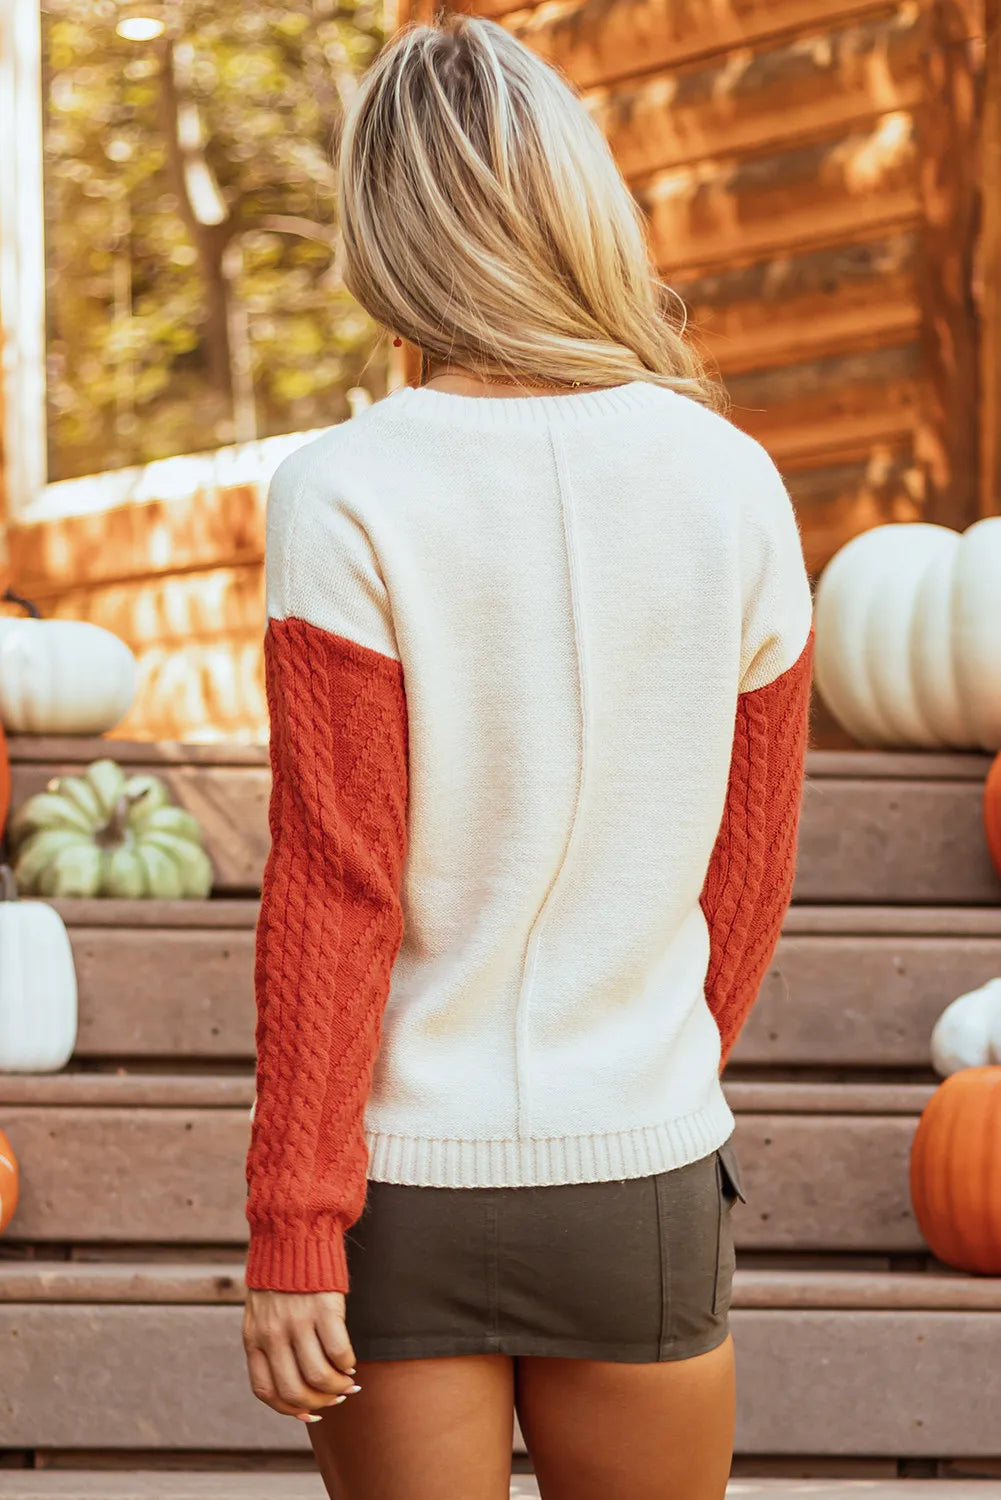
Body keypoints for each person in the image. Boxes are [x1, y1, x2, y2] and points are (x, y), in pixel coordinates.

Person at [241, 14, 814, 1500]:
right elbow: (747, 870)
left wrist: (294, 1224)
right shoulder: (730, 481)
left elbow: (335, 885)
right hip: (640, 1169)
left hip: (400, 1187)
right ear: (574, 206)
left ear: (383, 226)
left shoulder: (345, 490)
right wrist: (647, 1064)